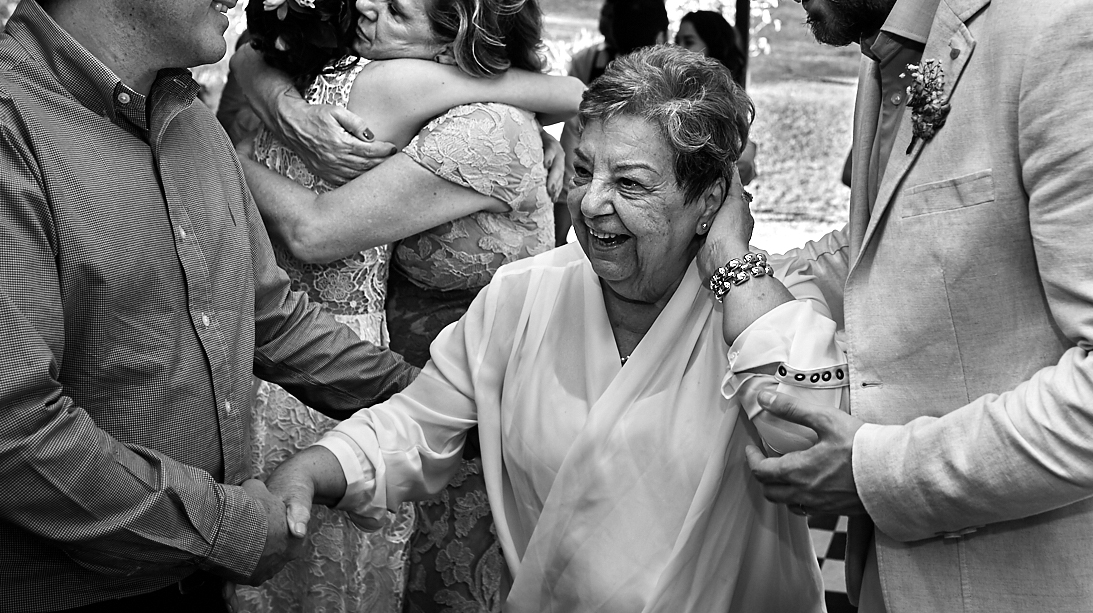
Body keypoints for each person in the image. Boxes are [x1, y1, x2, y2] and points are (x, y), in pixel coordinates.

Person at [686, 0, 1093, 612]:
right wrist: (721, 258)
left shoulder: (1080, 27)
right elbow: (894, 251)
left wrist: (877, 471)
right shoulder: (889, 49)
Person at [0, 0, 417, 611]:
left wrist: (436, 395)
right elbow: (15, 432)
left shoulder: (189, 117)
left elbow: (266, 317)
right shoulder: (13, 128)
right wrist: (227, 525)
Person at [264, 45, 844, 613]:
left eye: (631, 184)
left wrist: (729, 264)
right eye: (584, 171)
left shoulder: (767, 302)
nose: (591, 203)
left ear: (709, 199)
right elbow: (416, 425)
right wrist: (314, 468)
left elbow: (807, 434)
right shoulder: (524, 294)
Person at [235, 0, 565, 612]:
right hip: (400, 390)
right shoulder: (384, 76)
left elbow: (316, 231)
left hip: (473, 400)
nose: (365, 4)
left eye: (396, 7)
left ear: (454, 47)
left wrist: (206, 156)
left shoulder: (480, 124)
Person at [556, 0, 669, 244]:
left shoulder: (587, 107)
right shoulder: (679, 107)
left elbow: (567, 182)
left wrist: (556, 245)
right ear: (662, 36)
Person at [674, 10, 758, 184]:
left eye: (689, 42)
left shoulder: (727, 102)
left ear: (713, 47)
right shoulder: (674, 92)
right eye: (677, 41)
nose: (678, 49)